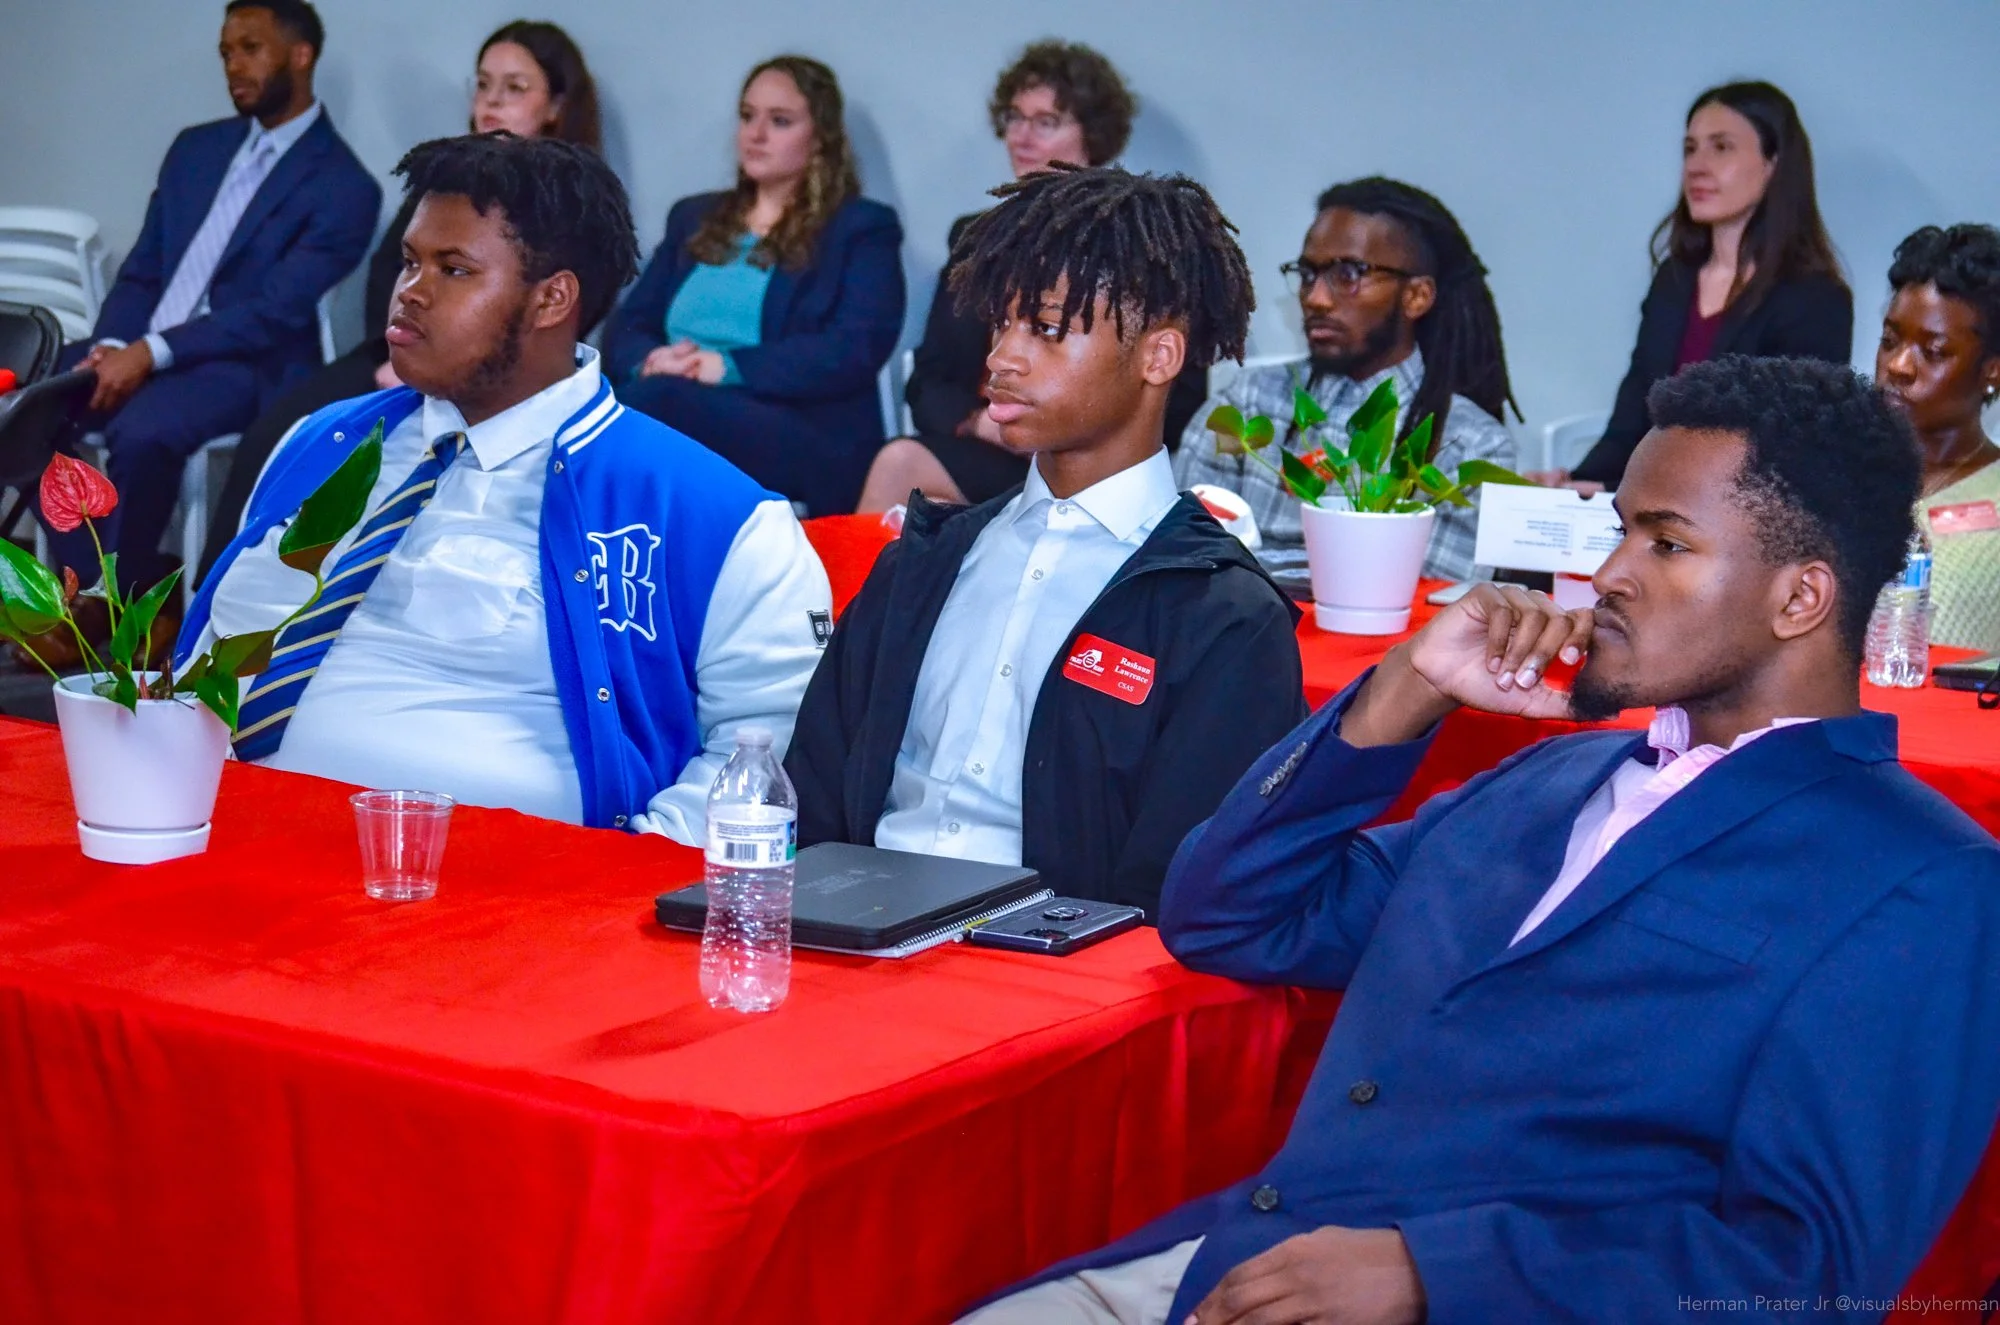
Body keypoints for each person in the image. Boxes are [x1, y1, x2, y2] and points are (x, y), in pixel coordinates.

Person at [963, 356, 2000, 1323]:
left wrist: (1430, 1271)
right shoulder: (1548, 779)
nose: (1608, 573)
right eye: (1617, 530)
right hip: (1233, 1258)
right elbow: (1225, 915)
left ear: (1799, 596)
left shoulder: (1921, 879)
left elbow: (1803, 1273)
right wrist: (1403, 689)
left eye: (1664, 542)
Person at [175, 133, 833, 842]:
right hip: (221, 834)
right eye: (409, 261)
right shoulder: (320, 442)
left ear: (553, 298)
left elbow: (765, 761)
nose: (410, 293)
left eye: (453, 270)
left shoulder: (715, 516)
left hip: (498, 906)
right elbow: (208, 646)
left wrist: (613, 896)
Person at [785, 165, 1306, 916]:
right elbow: (816, 797)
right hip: (851, 953)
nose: (1001, 357)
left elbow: (1178, 896)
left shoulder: (1223, 613)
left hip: (1051, 984)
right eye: (1002, 323)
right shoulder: (923, 562)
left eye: (1048, 330)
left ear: (1158, 357)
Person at [195, 19, 602, 589]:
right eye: (483, 85)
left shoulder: (575, 201)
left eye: (514, 88)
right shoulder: (447, 179)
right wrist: (400, 346)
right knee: (280, 432)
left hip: (503, 368)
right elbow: (391, 273)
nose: (492, 101)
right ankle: (212, 601)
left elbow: (582, 306)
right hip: (393, 351)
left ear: (556, 104)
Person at [35, 0, 378, 647]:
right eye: (226, 52)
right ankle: (95, 592)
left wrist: (152, 352)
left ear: (301, 54)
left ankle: (133, 601)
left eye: (251, 48)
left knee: (143, 430)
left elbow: (273, 310)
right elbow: (143, 268)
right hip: (140, 345)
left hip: (245, 363)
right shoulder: (196, 149)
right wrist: (111, 345)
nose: (234, 66)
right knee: (29, 399)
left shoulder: (343, 185)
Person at [855, 39, 1206, 513]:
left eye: (1047, 122)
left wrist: (1058, 429)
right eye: (1016, 118)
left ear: (1093, 136)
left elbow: (1179, 398)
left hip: (1088, 458)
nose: (1022, 136)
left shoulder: (1141, 243)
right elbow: (930, 384)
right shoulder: (976, 238)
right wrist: (986, 425)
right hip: (988, 444)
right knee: (912, 486)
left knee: (909, 478)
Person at [1174, 177, 1518, 585]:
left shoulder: (1472, 445)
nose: (1316, 298)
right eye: (1307, 274)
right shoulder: (1249, 402)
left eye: (1349, 274)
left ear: (1416, 297)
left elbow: (1435, 609)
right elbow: (1179, 555)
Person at [604, 56, 904, 516]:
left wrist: (723, 367)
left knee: (648, 410)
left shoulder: (860, 229)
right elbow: (628, 323)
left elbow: (852, 349)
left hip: (799, 427)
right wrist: (652, 359)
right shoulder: (693, 218)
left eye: (779, 121)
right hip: (669, 400)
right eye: (748, 116)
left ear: (821, 137)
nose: (755, 134)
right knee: (630, 407)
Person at [1553, 81, 1852, 491]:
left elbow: (1792, 453)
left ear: (1774, 163)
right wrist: (1579, 486)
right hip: (1653, 508)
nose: (1697, 166)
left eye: (1722, 147)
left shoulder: (1816, 300)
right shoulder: (1674, 280)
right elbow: (1632, 417)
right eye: (1690, 149)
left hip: (1741, 523)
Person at [1876, 223, 2000, 652]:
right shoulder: (1830, 476)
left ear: (1992, 370)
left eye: (1933, 352)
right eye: (1890, 341)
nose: (1899, 366)